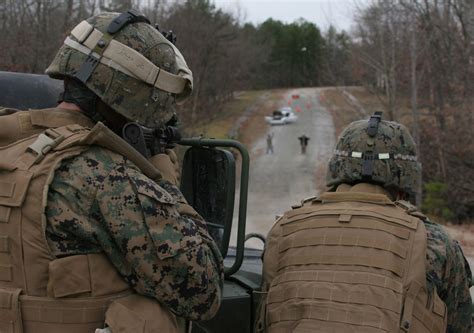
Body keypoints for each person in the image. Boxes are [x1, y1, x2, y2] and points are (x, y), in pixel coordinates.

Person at [0, 10, 223, 333]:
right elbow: (203, 291)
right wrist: (159, 177)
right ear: (133, 95)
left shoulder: (11, 141)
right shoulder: (102, 175)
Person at [256, 112, 472, 333]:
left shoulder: (284, 230)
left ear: (338, 167)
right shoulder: (433, 240)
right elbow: (461, 325)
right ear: (405, 175)